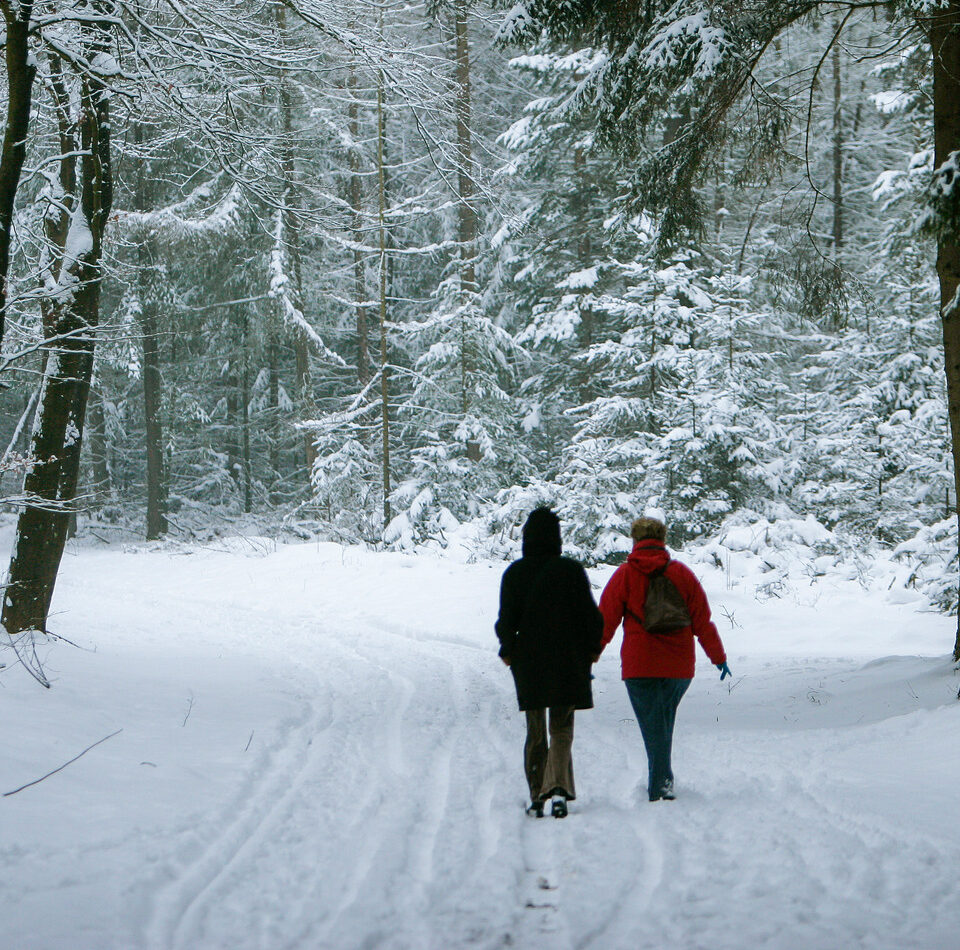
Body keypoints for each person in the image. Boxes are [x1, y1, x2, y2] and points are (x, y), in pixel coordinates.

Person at [598, 514, 730, 802]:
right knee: (661, 722)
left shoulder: (624, 575)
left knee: (655, 725)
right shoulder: (681, 574)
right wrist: (718, 656)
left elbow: (604, 622)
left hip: (639, 665)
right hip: (679, 666)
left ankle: (661, 784)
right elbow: (702, 621)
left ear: (635, 541)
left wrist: (589, 657)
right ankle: (662, 780)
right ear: (662, 540)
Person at [496, 507, 603, 818]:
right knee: (562, 726)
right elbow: (590, 617)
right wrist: (592, 650)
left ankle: (536, 794)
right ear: (557, 538)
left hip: (529, 662)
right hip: (568, 658)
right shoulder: (571, 570)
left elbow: (506, 622)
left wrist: (509, 650)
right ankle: (557, 789)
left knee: (535, 728)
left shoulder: (514, 574)